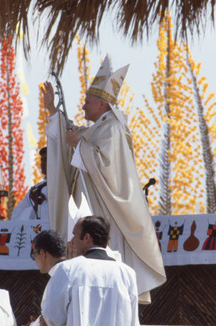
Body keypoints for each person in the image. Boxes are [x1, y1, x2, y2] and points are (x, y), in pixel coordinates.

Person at [44, 55, 165, 303]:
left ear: (102, 104)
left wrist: (78, 144)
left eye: (87, 102)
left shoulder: (113, 128)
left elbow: (105, 166)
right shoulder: (100, 127)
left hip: (111, 211)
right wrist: (53, 111)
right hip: (96, 210)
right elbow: (76, 136)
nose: (84, 106)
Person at [41, 216, 141, 326]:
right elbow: (132, 323)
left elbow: (51, 316)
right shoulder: (127, 273)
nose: (71, 241)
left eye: (75, 235)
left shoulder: (68, 270)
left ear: (87, 238)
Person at [12, 146, 49, 220]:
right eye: (42, 160)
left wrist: (42, 205)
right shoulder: (37, 188)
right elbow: (15, 215)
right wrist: (35, 207)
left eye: (46, 160)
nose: (42, 164)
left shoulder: (62, 187)